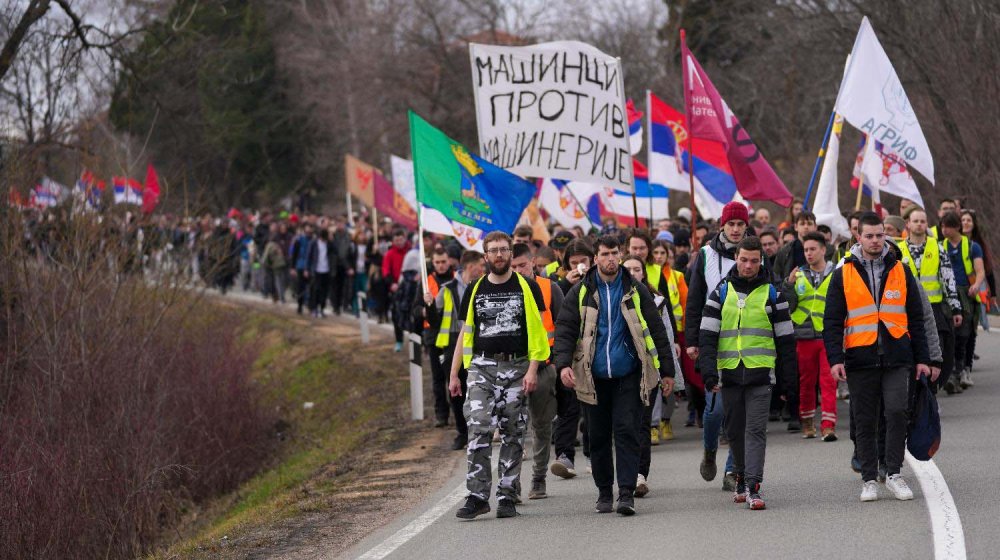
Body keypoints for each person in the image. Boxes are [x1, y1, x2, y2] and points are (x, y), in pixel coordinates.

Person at [554, 235, 676, 516]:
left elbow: (657, 330)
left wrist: (667, 370)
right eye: (605, 254)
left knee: (626, 431)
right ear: (594, 259)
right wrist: (563, 365)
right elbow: (565, 328)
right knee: (597, 436)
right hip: (592, 376)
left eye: (614, 253)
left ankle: (626, 494)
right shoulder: (582, 291)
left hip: (628, 374)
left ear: (620, 256)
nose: (610, 259)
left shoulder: (635, 289)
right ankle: (604, 492)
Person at [823, 211, 931, 502]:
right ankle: (869, 478)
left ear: (886, 235)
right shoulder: (843, 272)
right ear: (858, 237)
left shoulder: (900, 269)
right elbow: (832, 320)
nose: (874, 241)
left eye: (879, 235)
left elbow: (916, 318)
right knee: (865, 419)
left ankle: (894, 473)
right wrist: (835, 359)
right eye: (868, 236)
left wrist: (924, 358)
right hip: (860, 357)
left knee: (897, 412)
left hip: (897, 355)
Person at [448, 232, 549, 520]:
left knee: (512, 430)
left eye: (504, 249)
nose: (500, 255)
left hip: (517, 367)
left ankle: (507, 494)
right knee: (479, 425)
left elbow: (538, 334)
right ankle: (478, 496)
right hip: (481, 366)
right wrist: (454, 373)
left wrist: (532, 370)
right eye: (493, 251)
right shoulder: (475, 289)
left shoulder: (527, 287)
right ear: (486, 256)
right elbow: (465, 334)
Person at [699, 236, 797, 510]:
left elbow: (786, 342)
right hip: (729, 374)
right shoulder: (721, 292)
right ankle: (740, 477)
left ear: (761, 261)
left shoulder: (773, 293)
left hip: (761, 375)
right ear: (736, 259)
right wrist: (708, 373)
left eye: (754, 261)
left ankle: (753, 486)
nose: (749, 265)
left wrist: (791, 385)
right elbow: (707, 335)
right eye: (744, 260)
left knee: (755, 431)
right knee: (735, 431)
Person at [685, 201, 748, 491]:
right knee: (715, 410)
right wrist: (692, 341)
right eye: (731, 224)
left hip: (748, 339)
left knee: (740, 408)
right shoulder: (706, 255)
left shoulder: (754, 254)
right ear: (722, 226)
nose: (736, 230)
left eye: (740, 224)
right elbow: (695, 300)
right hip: (714, 339)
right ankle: (710, 451)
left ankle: (733, 470)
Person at [621, 256, 683, 498]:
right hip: (621, 369)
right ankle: (624, 473)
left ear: (644, 274)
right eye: (629, 269)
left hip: (649, 369)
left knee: (642, 423)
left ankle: (639, 475)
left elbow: (665, 336)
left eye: (638, 269)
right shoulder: (611, 297)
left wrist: (670, 374)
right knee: (624, 425)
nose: (634, 273)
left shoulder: (656, 301)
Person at [510, 243, 564, 500]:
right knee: (514, 428)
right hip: (514, 368)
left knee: (541, 426)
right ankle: (512, 482)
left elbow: (564, 327)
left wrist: (557, 363)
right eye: (513, 267)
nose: (518, 270)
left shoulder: (549, 288)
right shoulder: (504, 291)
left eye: (522, 265)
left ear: (533, 263)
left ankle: (538, 479)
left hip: (544, 367)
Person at [900, 207, 962, 394]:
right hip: (905, 309)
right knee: (911, 352)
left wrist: (955, 307)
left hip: (934, 308)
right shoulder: (898, 249)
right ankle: (914, 391)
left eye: (923, 221)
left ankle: (932, 390)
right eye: (916, 221)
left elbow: (948, 278)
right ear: (908, 224)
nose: (919, 224)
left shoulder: (937, 247)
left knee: (939, 351)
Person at [784, 231, 837, 440]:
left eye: (813, 249)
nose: (808, 253)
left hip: (827, 335)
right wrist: (788, 285)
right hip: (804, 335)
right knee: (806, 381)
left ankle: (828, 425)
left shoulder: (836, 274)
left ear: (823, 250)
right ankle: (807, 422)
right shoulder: (797, 275)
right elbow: (789, 305)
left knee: (828, 380)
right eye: (806, 250)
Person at [549, 238, 594, 479]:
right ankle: (564, 456)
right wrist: (566, 285)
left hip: (594, 353)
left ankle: (592, 454)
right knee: (568, 407)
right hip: (569, 352)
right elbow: (561, 321)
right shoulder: (559, 285)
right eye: (574, 263)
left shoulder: (601, 282)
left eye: (583, 262)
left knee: (591, 409)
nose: (579, 267)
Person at [442, 250, 485, 450]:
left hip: (475, 345)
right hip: (453, 346)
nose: (483, 269)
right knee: (456, 391)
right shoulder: (448, 289)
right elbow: (434, 319)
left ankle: (478, 431)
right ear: (470, 266)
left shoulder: (482, 285)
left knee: (475, 390)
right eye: (480, 266)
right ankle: (462, 432)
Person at [940, 211, 986, 390]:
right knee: (949, 334)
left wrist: (977, 285)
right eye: (942, 226)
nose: (944, 230)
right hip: (947, 295)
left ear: (957, 227)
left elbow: (980, 270)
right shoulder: (940, 246)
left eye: (947, 227)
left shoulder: (972, 246)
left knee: (964, 334)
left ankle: (960, 370)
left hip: (966, 294)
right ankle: (951, 373)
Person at [420, 247, 456, 428]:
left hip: (453, 335)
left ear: (449, 261)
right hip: (433, 336)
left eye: (443, 262)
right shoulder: (427, 282)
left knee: (454, 376)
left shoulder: (456, 278)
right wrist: (424, 309)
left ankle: (458, 412)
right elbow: (414, 308)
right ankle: (441, 414)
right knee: (438, 379)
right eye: (437, 262)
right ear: (432, 263)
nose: (441, 266)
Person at [382, 230, 411, 352]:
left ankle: (417, 341)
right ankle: (399, 340)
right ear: (393, 241)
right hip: (396, 289)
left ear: (405, 239)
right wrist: (392, 283)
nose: (399, 242)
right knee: (396, 315)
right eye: (396, 240)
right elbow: (385, 270)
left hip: (410, 288)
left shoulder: (411, 252)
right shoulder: (389, 254)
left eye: (401, 239)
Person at [289, 224, 314, 314]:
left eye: (310, 232)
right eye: (307, 232)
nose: (308, 233)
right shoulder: (299, 241)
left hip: (310, 267)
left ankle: (310, 305)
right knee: (301, 287)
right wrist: (293, 267)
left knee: (311, 287)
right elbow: (294, 254)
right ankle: (300, 305)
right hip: (300, 265)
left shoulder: (313, 241)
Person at [307, 228, 332, 317]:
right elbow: (309, 256)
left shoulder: (329, 244)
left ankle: (322, 308)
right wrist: (307, 269)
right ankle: (314, 308)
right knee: (315, 290)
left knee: (324, 291)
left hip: (326, 270)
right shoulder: (314, 243)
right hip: (316, 270)